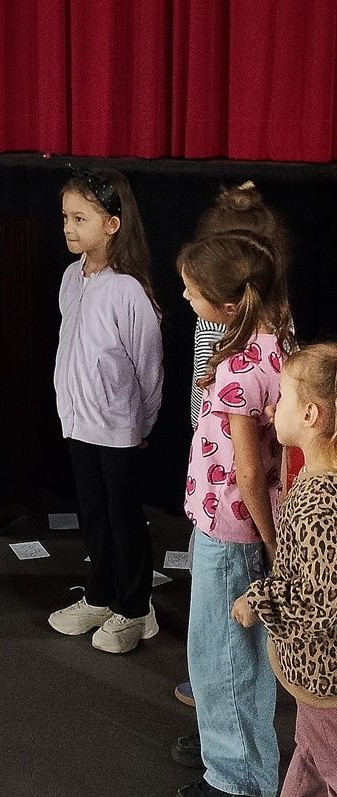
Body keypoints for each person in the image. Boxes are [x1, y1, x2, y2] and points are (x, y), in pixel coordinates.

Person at [175, 232, 295, 797]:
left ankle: (237, 779)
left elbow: (248, 473)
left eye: (192, 291)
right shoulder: (277, 342)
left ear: (227, 306)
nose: (184, 298)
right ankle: (222, 744)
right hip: (235, 530)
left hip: (232, 534)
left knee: (223, 658)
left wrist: (271, 544)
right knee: (225, 654)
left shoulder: (237, 369)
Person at [47, 168, 164, 654]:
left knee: (123, 518)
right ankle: (100, 595)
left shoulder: (128, 291)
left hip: (117, 427)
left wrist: (144, 422)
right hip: (78, 422)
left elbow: (148, 366)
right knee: (93, 514)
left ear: (112, 224)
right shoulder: (71, 278)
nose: (68, 228)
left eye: (80, 218)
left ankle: (135, 608)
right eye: (65, 217)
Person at [232, 343, 337, 797]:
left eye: (283, 396)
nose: (272, 407)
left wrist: (258, 599)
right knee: (310, 756)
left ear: (310, 414)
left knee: (325, 760)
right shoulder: (314, 482)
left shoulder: (318, 507)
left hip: (325, 679)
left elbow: (321, 604)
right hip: (315, 679)